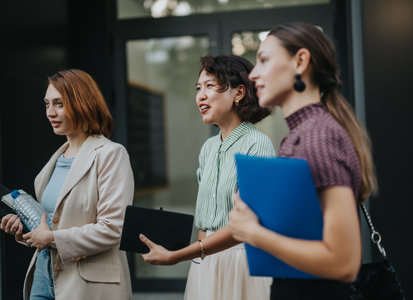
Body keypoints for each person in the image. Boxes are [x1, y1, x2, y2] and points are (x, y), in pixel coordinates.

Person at [228, 21, 378, 299]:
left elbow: (343, 263)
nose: (253, 75)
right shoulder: (305, 133)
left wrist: (253, 232)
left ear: (300, 61)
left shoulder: (318, 137)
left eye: (263, 60)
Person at [139, 54, 276, 299]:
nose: (200, 96)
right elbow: (204, 225)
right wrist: (199, 258)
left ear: (239, 93)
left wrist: (180, 255)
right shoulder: (208, 149)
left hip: (242, 263)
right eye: (198, 88)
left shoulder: (258, 144)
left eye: (209, 86)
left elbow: (246, 224)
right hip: (204, 262)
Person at [0, 69, 134, 300]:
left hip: (87, 284)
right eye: (46, 104)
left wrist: (51, 238)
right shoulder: (54, 162)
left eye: (59, 104)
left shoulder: (110, 154)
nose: (50, 112)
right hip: (44, 276)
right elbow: (50, 222)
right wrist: (24, 230)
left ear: (82, 103)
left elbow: (114, 229)